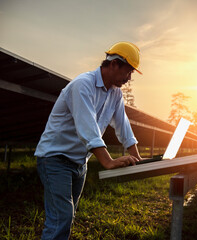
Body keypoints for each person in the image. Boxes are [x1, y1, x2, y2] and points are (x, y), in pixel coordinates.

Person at [35, 41, 144, 239]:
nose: (128, 78)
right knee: (62, 218)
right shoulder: (82, 84)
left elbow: (123, 125)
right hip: (55, 158)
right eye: (127, 72)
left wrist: (138, 159)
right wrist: (108, 161)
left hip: (79, 163)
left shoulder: (115, 93)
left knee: (67, 217)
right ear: (113, 64)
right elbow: (87, 127)